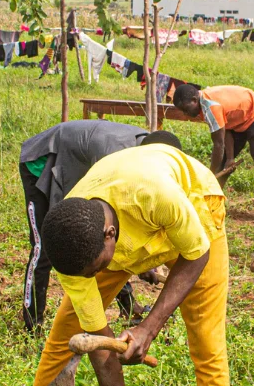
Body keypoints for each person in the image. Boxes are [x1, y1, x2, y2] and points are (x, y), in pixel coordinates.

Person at [14, 144, 230, 386]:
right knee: (62, 336)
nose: (93, 280)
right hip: (118, 237)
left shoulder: (154, 195)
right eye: (87, 276)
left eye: (96, 270)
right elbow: (100, 347)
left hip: (195, 209)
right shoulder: (73, 243)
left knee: (208, 348)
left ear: (109, 235)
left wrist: (149, 327)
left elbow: (197, 254)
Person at [18, 122, 183, 331]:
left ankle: (128, 306)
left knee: (103, 236)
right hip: (43, 162)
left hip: (76, 163)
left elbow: (114, 231)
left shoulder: (146, 152)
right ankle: (32, 325)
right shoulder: (114, 157)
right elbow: (108, 226)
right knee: (46, 246)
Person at [172, 83, 254, 197]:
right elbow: (226, 129)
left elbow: (218, 145)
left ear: (194, 100)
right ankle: (213, 200)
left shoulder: (210, 107)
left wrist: (209, 175)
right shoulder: (203, 104)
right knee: (223, 164)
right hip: (238, 120)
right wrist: (230, 158)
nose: (185, 114)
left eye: (186, 109)